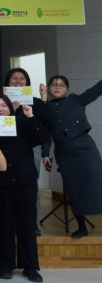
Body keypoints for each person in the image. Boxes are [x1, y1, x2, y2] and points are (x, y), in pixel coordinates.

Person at [0, 93, 50, 282]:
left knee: (27, 223)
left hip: (24, 180)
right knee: (3, 222)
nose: (0, 109)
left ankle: (30, 266)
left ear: (10, 108)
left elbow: (42, 137)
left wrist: (31, 116)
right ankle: (5, 265)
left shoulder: (23, 122)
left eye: (3, 105)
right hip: (0, 182)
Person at [41, 76, 102, 238]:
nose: (57, 87)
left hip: (85, 149)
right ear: (48, 88)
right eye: (54, 85)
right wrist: (45, 154)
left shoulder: (76, 100)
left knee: (97, 184)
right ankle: (82, 227)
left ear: (67, 89)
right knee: (73, 190)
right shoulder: (45, 108)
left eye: (61, 85)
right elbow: (46, 134)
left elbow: (95, 91)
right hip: (64, 153)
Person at [0, 67, 51, 235]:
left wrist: (43, 98)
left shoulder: (33, 101)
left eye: (22, 79)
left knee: (30, 186)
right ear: (7, 82)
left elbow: (44, 124)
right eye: (14, 78)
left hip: (30, 149)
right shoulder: (0, 102)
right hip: (4, 150)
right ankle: (11, 224)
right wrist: (10, 111)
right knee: (8, 188)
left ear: (27, 82)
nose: (18, 81)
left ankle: (31, 223)